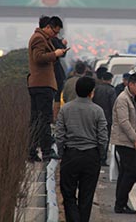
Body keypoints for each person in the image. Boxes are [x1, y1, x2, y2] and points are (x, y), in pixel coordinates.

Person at [56, 76, 108, 222]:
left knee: (68, 195)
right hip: (91, 157)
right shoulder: (98, 111)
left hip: (70, 156)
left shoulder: (65, 109)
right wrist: (100, 154)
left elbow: (59, 135)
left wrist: (61, 153)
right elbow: (103, 137)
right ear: (92, 92)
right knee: (87, 197)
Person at [27, 15, 67, 162]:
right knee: (44, 119)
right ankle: (46, 151)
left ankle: (32, 151)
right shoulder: (39, 38)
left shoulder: (44, 38)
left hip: (39, 84)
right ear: (48, 27)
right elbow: (38, 57)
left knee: (37, 120)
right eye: (55, 32)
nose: (55, 35)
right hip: (41, 84)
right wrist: (54, 54)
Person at [111, 72, 136, 214]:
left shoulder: (134, 98)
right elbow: (124, 122)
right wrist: (135, 139)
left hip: (129, 141)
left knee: (125, 172)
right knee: (131, 173)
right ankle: (120, 203)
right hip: (124, 141)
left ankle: (121, 204)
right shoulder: (123, 99)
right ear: (131, 84)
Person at [92, 71, 117, 166]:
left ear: (102, 79)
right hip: (107, 119)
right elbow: (113, 105)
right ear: (110, 80)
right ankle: (103, 158)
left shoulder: (96, 89)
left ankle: (95, 156)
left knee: (95, 137)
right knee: (104, 138)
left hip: (95, 117)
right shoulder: (111, 90)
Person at [51, 17, 68, 121]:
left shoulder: (49, 39)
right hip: (54, 75)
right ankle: (55, 117)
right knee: (56, 96)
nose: (57, 33)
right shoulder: (51, 40)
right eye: (56, 31)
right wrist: (63, 46)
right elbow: (62, 53)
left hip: (54, 74)